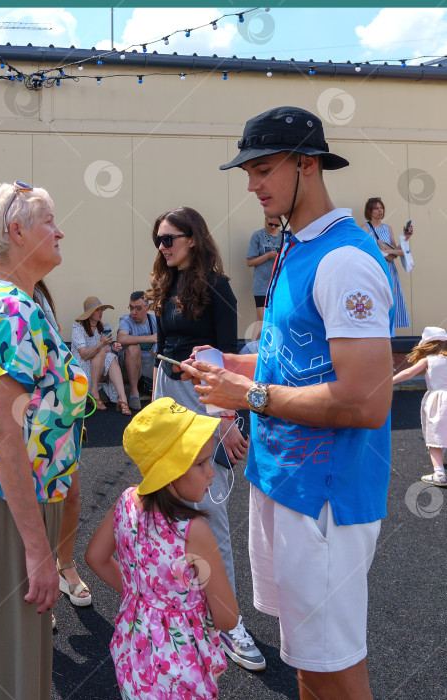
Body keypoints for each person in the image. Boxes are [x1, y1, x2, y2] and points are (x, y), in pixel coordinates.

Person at [182, 106, 394, 698]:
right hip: (281, 479)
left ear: (308, 164)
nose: (251, 183)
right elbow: (295, 364)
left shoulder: (345, 259)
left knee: (335, 667)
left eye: (263, 168)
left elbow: (366, 403)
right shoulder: (295, 247)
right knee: (306, 660)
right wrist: (232, 368)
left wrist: (247, 393)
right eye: (248, 170)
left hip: (323, 495)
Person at [0, 181, 88, 699]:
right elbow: (4, 434)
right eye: (48, 220)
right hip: (13, 503)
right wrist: (38, 550)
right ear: (17, 232)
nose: (59, 231)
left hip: (6, 496)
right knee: (13, 660)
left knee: (9, 649)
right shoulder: (13, 311)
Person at [147, 206, 261, 671]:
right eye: (157, 240)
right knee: (164, 499)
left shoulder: (218, 285)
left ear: (193, 238)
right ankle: (181, 604)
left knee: (209, 505)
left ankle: (227, 620)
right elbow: (165, 347)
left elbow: (226, 358)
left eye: (169, 239)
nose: (162, 247)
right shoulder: (165, 281)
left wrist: (227, 418)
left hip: (201, 394)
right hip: (164, 389)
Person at [85, 398, 238, 698]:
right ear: (169, 473)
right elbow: (227, 617)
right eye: (200, 463)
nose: (211, 472)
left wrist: (142, 598)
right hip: (182, 664)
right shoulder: (194, 531)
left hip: (135, 650)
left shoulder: (126, 501)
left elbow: (95, 557)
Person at [34, 280, 91, 608]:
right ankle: (35, 578)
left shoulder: (40, 293)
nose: (57, 233)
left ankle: (64, 563)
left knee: (70, 494)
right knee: (33, 504)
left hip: (59, 410)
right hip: (27, 414)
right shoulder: (4, 296)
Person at [393, 326, 447, 486]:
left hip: (438, 400)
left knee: (435, 435)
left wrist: (389, 381)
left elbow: (408, 373)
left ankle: (439, 474)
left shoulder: (428, 360)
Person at [72, 296, 132, 415]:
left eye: (101, 310)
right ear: (89, 313)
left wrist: (112, 347)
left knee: (110, 356)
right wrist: (101, 345)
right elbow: (84, 355)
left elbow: (105, 349)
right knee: (101, 351)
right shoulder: (78, 329)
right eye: (97, 310)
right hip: (83, 367)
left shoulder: (103, 327)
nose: (101, 313)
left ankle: (123, 399)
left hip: (97, 365)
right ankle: (94, 391)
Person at [362, 197, 413, 330]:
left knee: (392, 299)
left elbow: (394, 250)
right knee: (377, 298)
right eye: (376, 208)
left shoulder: (387, 228)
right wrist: (395, 252)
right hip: (374, 268)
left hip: (389, 268)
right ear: (370, 211)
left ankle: (389, 333)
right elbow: (365, 250)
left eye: (381, 207)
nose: (380, 211)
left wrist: (406, 237)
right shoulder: (365, 228)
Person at [117, 290, 157, 411]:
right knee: (133, 347)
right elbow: (121, 338)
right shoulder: (126, 319)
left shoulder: (155, 319)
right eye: (131, 308)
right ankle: (134, 392)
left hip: (150, 364)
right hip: (130, 366)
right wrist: (150, 338)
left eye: (138, 308)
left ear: (147, 308)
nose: (133, 312)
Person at [246, 216, 283, 341]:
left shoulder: (284, 237)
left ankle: (268, 346)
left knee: (276, 317)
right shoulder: (258, 236)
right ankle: (255, 349)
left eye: (276, 225)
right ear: (265, 219)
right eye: (270, 224)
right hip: (261, 284)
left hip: (278, 283)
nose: (273, 227)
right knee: (262, 318)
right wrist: (267, 256)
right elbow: (250, 262)